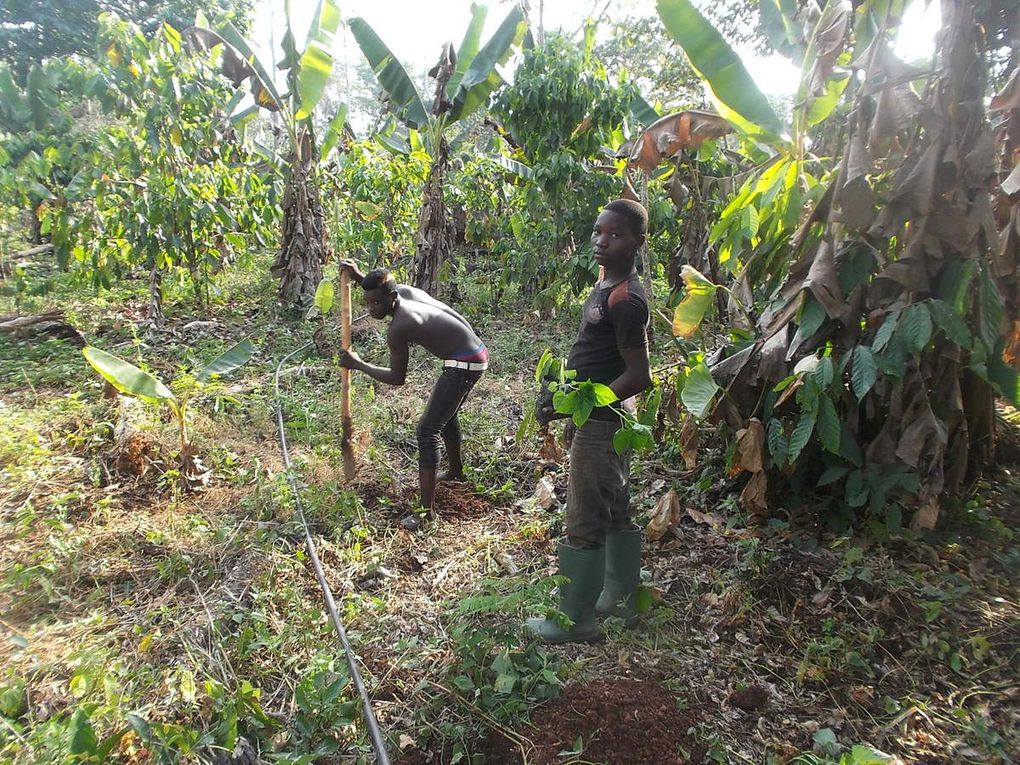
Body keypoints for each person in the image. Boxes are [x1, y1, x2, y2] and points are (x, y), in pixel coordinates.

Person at [527, 199, 652, 644]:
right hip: (597, 414)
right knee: (613, 504)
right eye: (599, 231)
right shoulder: (606, 283)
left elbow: (639, 375)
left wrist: (585, 405)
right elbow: (597, 355)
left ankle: (574, 618)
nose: (601, 241)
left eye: (615, 235)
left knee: (584, 512)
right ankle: (619, 598)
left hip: (605, 419)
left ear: (637, 241)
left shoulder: (627, 300)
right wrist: (564, 392)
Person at [338, 260, 488, 530]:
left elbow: (397, 379)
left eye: (375, 305)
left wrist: (358, 364)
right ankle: (455, 472)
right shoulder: (403, 291)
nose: (371, 310)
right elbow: (380, 290)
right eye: (367, 304)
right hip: (474, 349)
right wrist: (360, 276)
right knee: (445, 417)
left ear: (391, 299)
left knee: (427, 431)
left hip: (464, 362)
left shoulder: (400, 326)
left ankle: (426, 514)